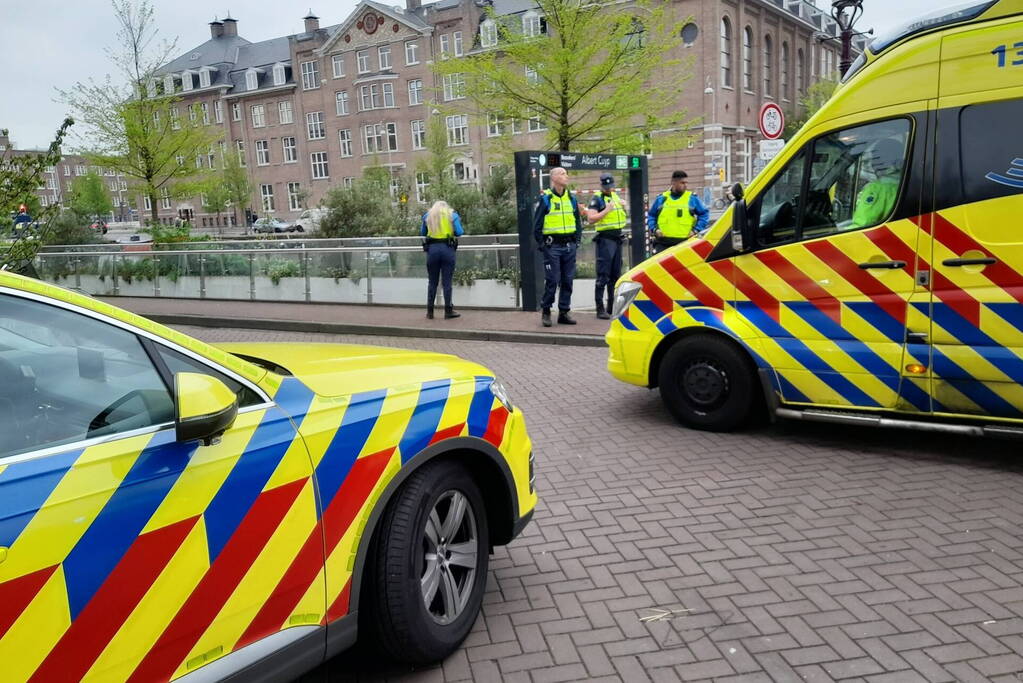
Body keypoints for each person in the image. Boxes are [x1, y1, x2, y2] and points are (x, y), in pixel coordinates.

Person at [533, 167, 583, 327]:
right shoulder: (546, 199)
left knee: (568, 280)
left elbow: (577, 221)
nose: (566, 176)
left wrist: (577, 241)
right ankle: (546, 311)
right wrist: (543, 245)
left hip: (569, 245)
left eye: (566, 173)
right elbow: (537, 225)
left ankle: (564, 312)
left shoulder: (571, 198)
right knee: (552, 280)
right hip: (552, 246)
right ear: (553, 178)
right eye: (562, 173)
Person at [588, 172, 627, 320]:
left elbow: (621, 217)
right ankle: (600, 309)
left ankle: (612, 307)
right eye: (606, 186)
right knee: (603, 275)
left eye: (611, 186)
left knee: (616, 275)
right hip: (605, 240)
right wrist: (606, 210)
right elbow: (591, 218)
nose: (609, 188)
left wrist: (624, 207)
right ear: (601, 185)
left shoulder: (615, 197)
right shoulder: (596, 199)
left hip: (617, 240)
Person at [646, 170, 709, 254]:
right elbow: (651, 216)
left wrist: (695, 230)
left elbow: (704, 214)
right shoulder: (662, 198)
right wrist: (655, 229)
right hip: (663, 243)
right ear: (673, 183)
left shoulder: (692, 198)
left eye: (686, 183)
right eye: (682, 183)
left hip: (684, 243)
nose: (685, 185)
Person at [421, 200, 464, 319]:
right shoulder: (452, 215)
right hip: (447, 249)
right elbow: (460, 232)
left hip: (432, 250)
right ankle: (448, 311)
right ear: (446, 207)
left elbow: (422, 232)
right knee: (447, 282)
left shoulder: (427, 216)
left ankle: (430, 311)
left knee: (432, 282)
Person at [851, 138, 904, 228]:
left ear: (882, 160)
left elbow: (863, 224)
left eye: (875, 158)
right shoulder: (905, 182)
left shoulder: (877, 188)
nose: (872, 163)